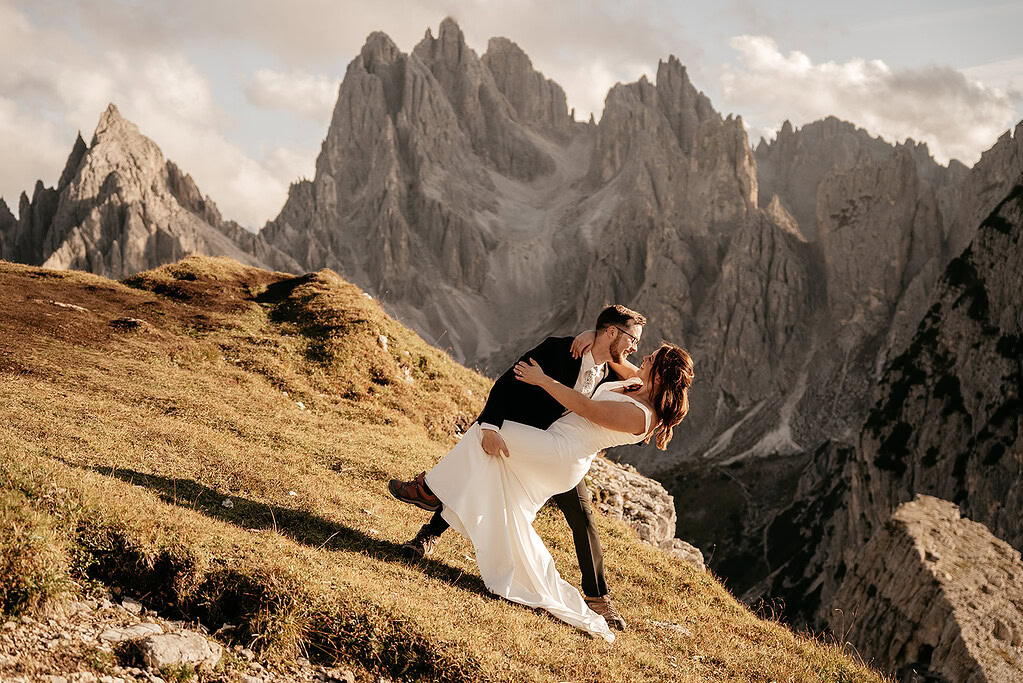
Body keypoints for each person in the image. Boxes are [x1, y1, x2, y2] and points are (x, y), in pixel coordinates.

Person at [389, 333, 694, 641]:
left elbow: (589, 409)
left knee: (489, 432)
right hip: (556, 444)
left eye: (651, 358)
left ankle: (428, 491)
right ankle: (433, 503)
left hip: (561, 453)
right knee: (489, 457)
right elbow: (613, 355)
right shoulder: (639, 384)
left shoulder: (641, 416)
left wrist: (542, 379)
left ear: (662, 373)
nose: (643, 358)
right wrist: (591, 335)